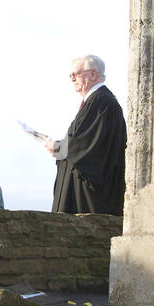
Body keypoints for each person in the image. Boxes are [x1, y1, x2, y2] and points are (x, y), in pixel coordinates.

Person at [45, 54, 126, 215]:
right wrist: (60, 147)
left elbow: (83, 145)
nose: (72, 79)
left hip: (90, 191)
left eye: (76, 74)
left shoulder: (101, 101)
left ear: (93, 74)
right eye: (70, 75)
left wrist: (58, 147)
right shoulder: (98, 100)